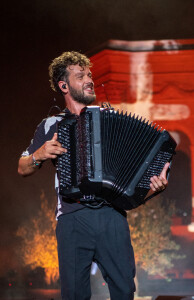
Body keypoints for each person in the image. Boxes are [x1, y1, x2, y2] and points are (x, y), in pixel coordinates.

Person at [18, 51, 170, 300]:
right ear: (63, 85)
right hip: (72, 217)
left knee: (124, 291)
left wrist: (154, 186)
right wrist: (40, 153)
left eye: (89, 74)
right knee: (75, 294)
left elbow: (132, 177)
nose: (89, 80)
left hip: (112, 216)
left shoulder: (111, 117)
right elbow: (22, 167)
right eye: (81, 76)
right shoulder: (50, 124)